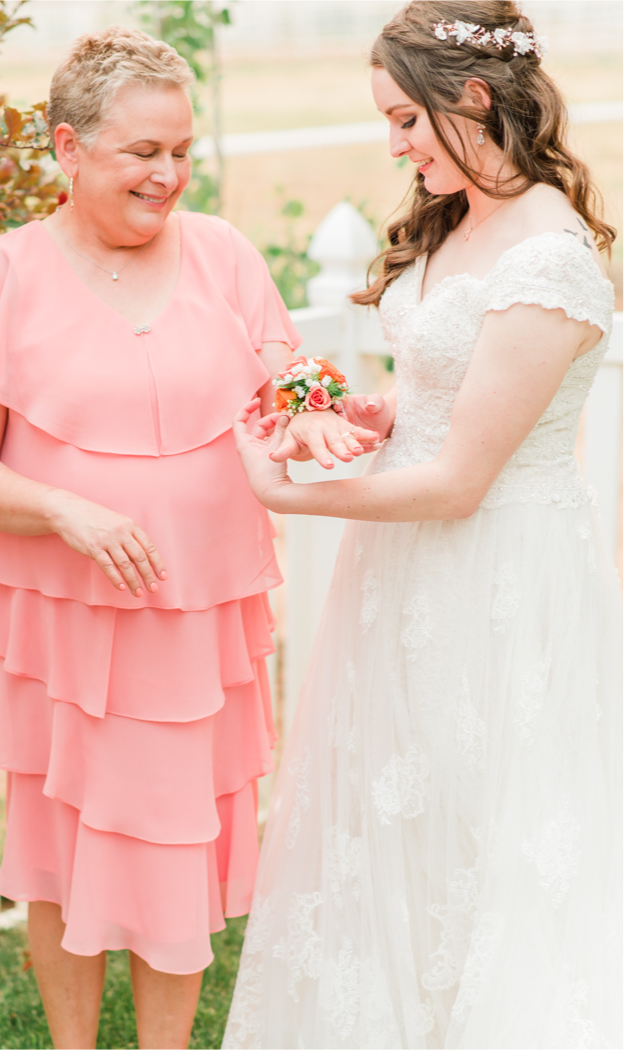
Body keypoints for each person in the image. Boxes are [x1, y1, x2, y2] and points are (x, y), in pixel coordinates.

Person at [0, 28, 345, 1050]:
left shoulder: (228, 257)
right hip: (64, 626)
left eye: (180, 152)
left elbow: (287, 389)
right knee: (64, 843)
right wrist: (66, 511)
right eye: (140, 153)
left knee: (175, 846)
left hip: (196, 618)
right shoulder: (5, 274)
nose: (167, 176)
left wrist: (316, 415)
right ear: (68, 148)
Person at [223, 4, 620, 1046]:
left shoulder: (550, 257)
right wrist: (378, 412)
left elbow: (458, 482)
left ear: (474, 99)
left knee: (494, 827)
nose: (394, 145)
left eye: (406, 120)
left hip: (497, 572)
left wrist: (285, 493)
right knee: (406, 814)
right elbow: (446, 391)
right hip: (405, 568)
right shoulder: (458, 219)